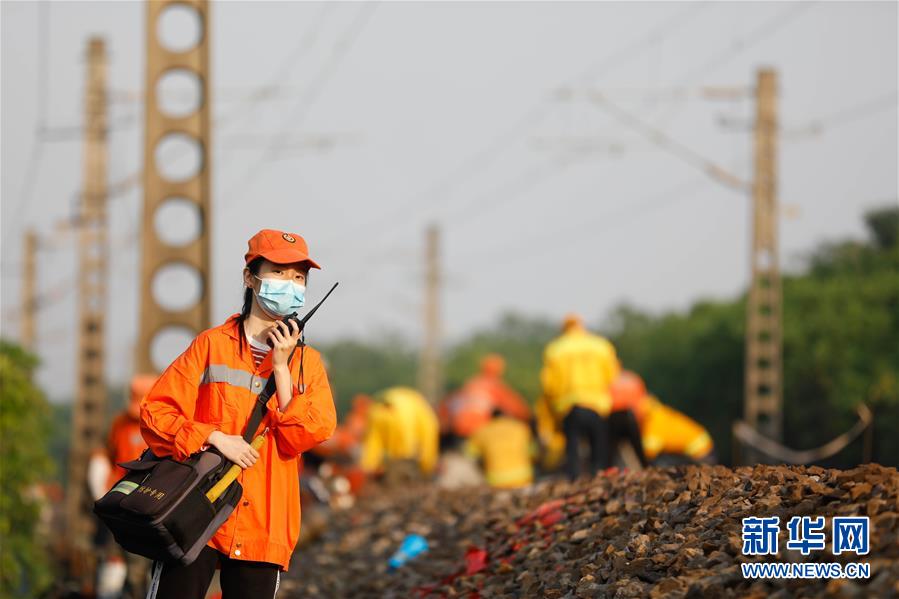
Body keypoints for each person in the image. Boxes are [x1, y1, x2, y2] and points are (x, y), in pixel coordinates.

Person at [140, 229, 337, 599]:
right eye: (278, 272)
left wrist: (281, 368)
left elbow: (308, 435)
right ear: (250, 277)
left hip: (264, 523)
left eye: (298, 277)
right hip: (195, 512)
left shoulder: (306, 363)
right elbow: (156, 414)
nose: (290, 284)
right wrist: (213, 438)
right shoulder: (211, 346)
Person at [540, 314, 620, 480]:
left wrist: (553, 412)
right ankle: (600, 479)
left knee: (573, 449)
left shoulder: (555, 348)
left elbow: (548, 386)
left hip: (570, 406)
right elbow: (613, 376)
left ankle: (575, 480)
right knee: (598, 447)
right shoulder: (601, 345)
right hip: (597, 404)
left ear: (564, 328)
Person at [438, 354, 531, 442]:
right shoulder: (495, 386)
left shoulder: (470, 384)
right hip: (479, 432)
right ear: (500, 370)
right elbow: (518, 409)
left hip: (456, 432)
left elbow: (446, 404)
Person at [359, 386, 439, 484]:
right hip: (400, 413)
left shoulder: (412, 402)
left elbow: (373, 443)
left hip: (377, 408)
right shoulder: (430, 419)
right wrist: (427, 468)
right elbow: (428, 446)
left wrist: (369, 465)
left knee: (373, 440)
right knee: (403, 459)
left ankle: (366, 474)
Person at [464, 409, 535, 489]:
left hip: (495, 478)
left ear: (491, 418)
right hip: (523, 475)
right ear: (506, 416)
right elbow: (532, 452)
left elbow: (470, 456)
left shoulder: (481, 431)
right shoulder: (520, 427)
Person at [638, 395, 715, 465]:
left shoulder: (654, 422)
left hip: (701, 454)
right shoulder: (658, 412)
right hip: (703, 447)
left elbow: (648, 452)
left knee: (661, 463)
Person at [608, 370, 650, 468]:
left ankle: (609, 472)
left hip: (612, 416)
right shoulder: (633, 378)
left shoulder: (606, 379)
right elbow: (642, 402)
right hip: (631, 416)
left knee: (609, 453)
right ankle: (646, 469)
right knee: (639, 450)